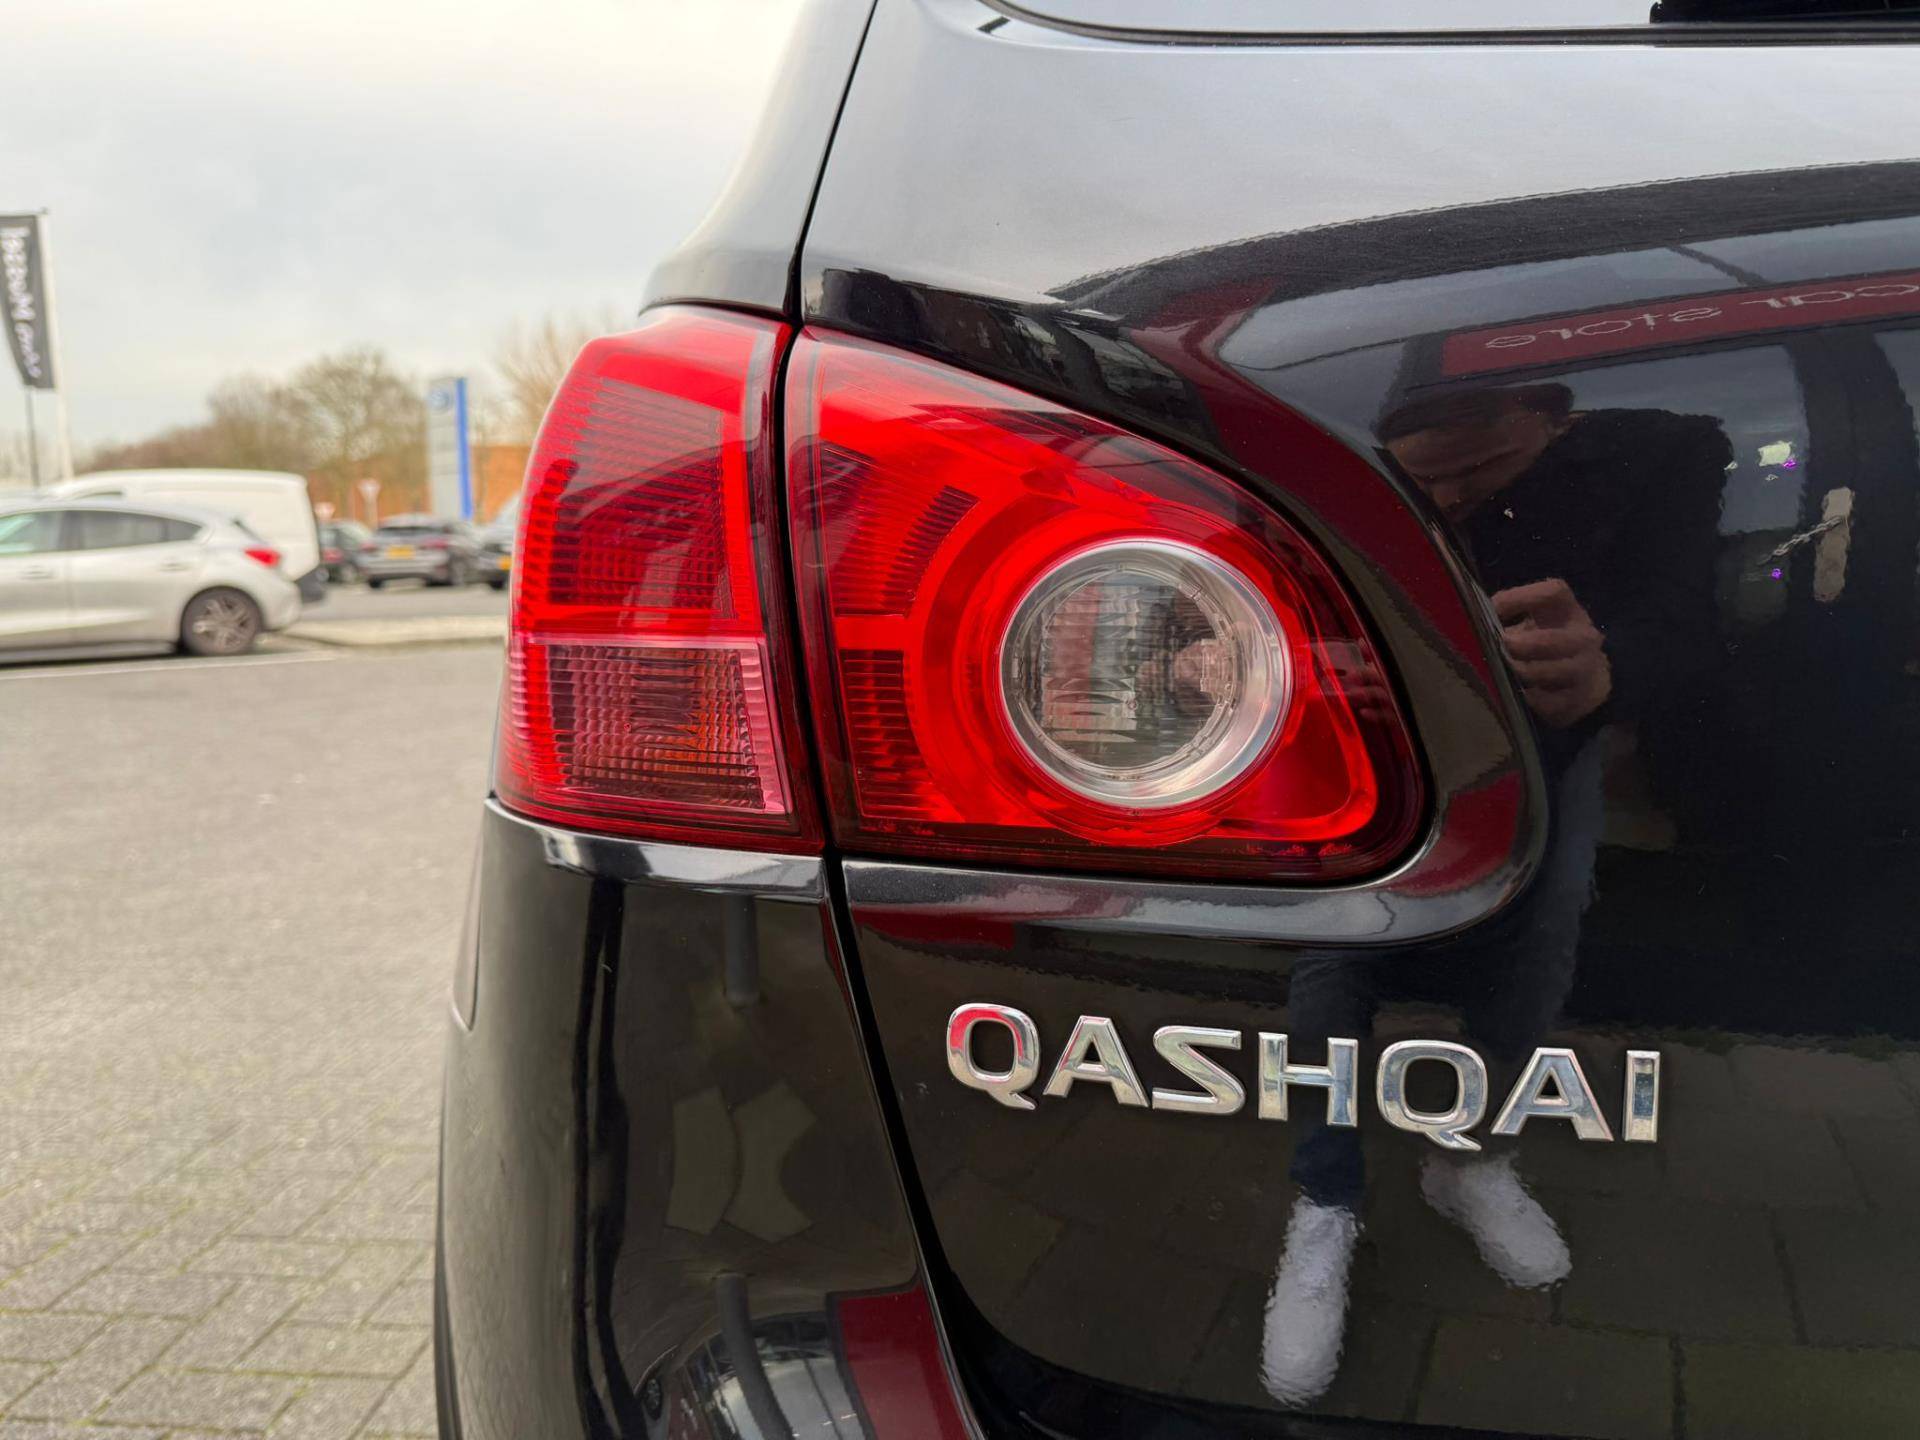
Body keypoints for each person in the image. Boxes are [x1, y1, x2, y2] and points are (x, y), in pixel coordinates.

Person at [1260, 383, 1730, 1406]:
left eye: (1483, 467)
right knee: (1335, 957)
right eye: (1425, 477)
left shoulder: (1664, 453)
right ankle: (1325, 1200)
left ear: (1560, 422)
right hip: (1369, 742)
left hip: (1548, 743)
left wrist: (1608, 669)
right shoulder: (1327, 435)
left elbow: (1689, 611)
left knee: (1545, 940)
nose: (1452, 496)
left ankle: (1468, 1160)